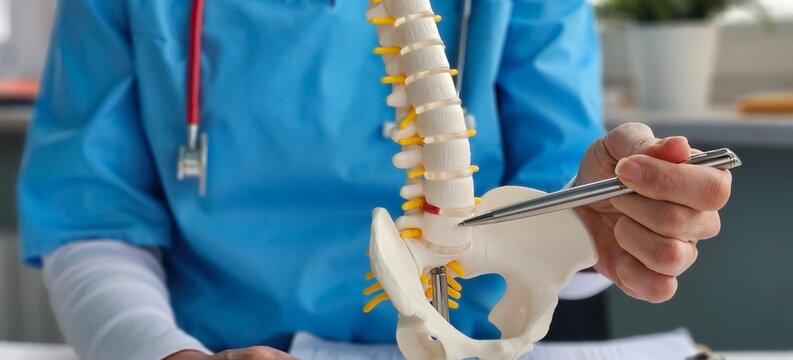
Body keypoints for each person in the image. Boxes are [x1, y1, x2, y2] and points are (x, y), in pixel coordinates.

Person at [17, 1, 732, 359]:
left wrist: (587, 232)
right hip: (213, 343)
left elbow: (561, 189)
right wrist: (159, 352)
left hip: (476, 332)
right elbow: (93, 212)